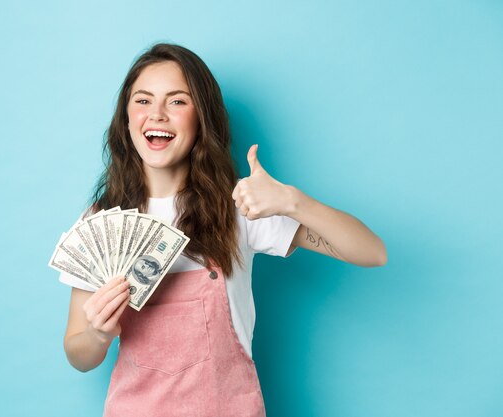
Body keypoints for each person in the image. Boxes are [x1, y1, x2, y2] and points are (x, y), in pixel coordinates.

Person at [60, 43, 387, 417]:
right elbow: (78, 354)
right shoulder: (101, 223)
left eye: (178, 101)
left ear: (202, 117)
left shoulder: (239, 209)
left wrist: (292, 201)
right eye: (143, 100)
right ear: (125, 118)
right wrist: (98, 334)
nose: (158, 115)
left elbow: (372, 251)